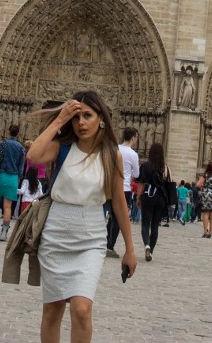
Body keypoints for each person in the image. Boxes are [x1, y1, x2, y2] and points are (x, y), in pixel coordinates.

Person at [26, 90, 136, 343]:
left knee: (81, 309)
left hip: (91, 236)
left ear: (101, 118)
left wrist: (130, 248)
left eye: (87, 116)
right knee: (53, 310)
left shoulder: (112, 155)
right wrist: (59, 119)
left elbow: (119, 202)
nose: (81, 123)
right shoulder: (62, 148)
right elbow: (32, 156)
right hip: (56, 233)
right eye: (76, 118)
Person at [0, 124, 26, 242]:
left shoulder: (3, 143)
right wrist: (18, 178)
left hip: (1, 175)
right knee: (8, 206)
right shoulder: (21, 147)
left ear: (8, 132)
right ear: (18, 133)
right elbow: (21, 165)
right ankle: (4, 232)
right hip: (13, 177)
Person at [106, 127, 139, 257]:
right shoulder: (133, 154)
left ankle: (105, 243)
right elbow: (136, 173)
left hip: (111, 187)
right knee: (119, 219)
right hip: (124, 188)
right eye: (136, 138)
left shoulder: (115, 148)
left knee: (111, 217)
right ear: (133, 138)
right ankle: (109, 246)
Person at [136, 142, 170, 261]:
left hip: (149, 196)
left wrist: (138, 197)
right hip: (161, 199)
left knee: (145, 224)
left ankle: (147, 245)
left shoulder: (145, 166)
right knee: (155, 225)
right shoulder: (165, 168)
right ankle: (151, 251)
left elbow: (141, 183)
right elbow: (169, 184)